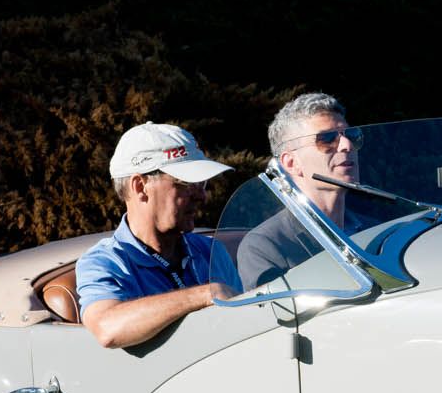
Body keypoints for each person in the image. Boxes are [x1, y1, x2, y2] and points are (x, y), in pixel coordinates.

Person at [76, 122, 242, 348]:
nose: (202, 196)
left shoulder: (210, 250)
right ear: (140, 186)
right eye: (186, 183)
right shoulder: (104, 262)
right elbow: (107, 328)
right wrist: (204, 294)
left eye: (202, 183)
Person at [238, 92, 393, 290]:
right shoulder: (264, 245)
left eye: (351, 135)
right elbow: (275, 318)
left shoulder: (378, 230)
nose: (347, 146)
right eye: (327, 139)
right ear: (291, 163)